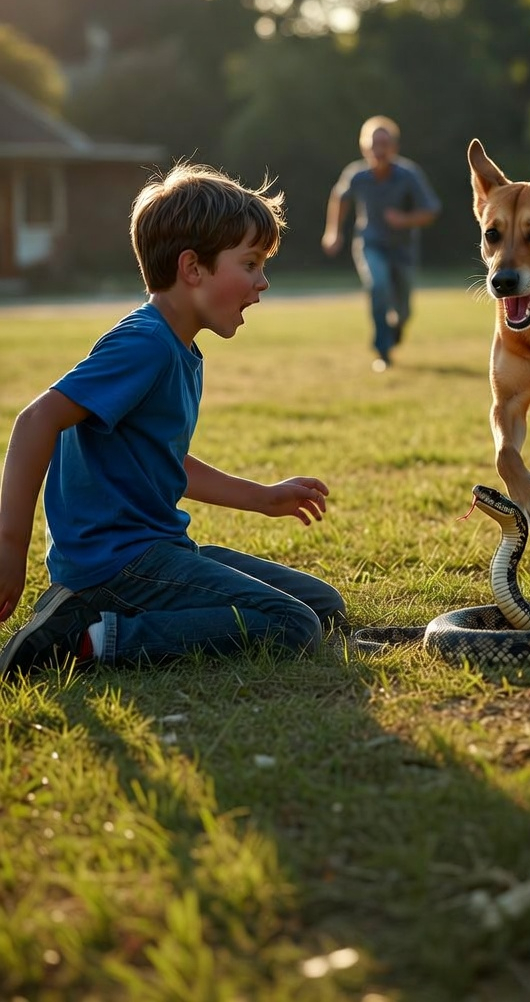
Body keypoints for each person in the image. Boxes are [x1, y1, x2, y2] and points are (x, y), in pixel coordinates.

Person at [0, 162, 346, 679]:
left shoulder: (178, 346)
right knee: (293, 625)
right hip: (115, 566)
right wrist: (9, 548)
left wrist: (261, 496)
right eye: (250, 264)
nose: (263, 281)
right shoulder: (145, 343)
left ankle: (108, 617)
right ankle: (86, 636)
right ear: (193, 269)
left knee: (324, 605)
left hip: (156, 550)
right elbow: (36, 420)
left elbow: (158, 458)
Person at [321, 115, 441, 371]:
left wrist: (405, 219)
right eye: (374, 144)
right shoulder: (357, 175)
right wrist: (333, 232)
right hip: (370, 243)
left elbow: (431, 210)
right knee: (378, 286)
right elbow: (339, 198)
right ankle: (383, 351)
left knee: (404, 310)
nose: (379, 150)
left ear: (394, 147)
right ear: (364, 148)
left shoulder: (409, 175)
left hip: (403, 249)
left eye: (385, 144)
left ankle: (395, 328)